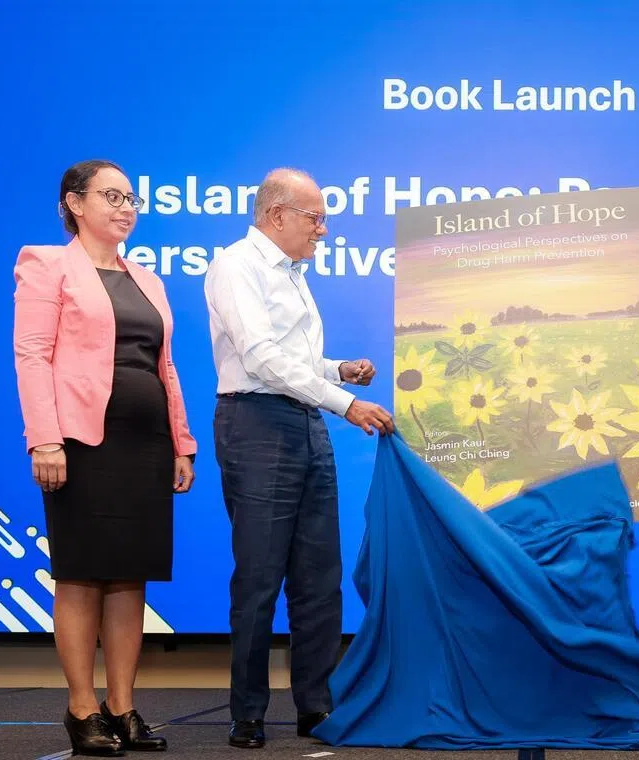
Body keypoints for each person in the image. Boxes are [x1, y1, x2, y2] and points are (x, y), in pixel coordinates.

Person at [204, 168, 395, 750]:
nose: (324, 229)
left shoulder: (292, 273)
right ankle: (248, 713)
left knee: (319, 580)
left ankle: (316, 707)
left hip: (305, 422)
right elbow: (260, 358)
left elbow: (291, 360)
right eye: (315, 217)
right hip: (257, 425)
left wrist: (337, 370)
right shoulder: (236, 265)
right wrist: (347, 401)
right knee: (260, 577)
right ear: (275, 215)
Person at [13, 159, 196, 756]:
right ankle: (82, 708)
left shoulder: (148, 278)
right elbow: (33, 356)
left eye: (132, 198)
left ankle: (123, 708)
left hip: (146, 444)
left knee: (129, 576)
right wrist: (45, 438)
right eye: (112, 196)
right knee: (82, 575)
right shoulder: (46, 265)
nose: (126, 207)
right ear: (74, 202)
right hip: (81, 441)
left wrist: (181, 442)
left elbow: (164, 366)